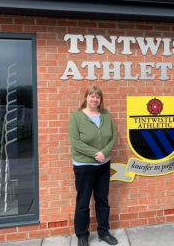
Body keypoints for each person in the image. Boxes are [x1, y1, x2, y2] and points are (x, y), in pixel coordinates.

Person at [69, 86, 118, 246]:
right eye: (91, 96)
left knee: (102, 200)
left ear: (100, 100)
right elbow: (75, 142)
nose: (94, 99)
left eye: (97, 97)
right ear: (86, 98)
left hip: (103, 165)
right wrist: (96, 154)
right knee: (83, 202)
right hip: (84, 166)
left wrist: (104, 153)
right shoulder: (76, 117)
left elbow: (113, 136)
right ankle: (82, 236)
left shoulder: (106, 114)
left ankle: (104, 232)